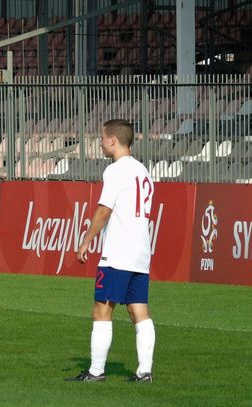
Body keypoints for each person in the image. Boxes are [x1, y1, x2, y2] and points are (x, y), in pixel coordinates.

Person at [64, 119, 156, 383]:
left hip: (118, 252)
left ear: (113, 140)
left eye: (102, 138)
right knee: (139, 311)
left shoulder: (115, 170)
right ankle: (144, 371)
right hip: (141, 252)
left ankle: (96, 371)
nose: (101, 143)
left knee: (102, 309)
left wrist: (86, 241)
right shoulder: (143, 171)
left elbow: (104, 210)